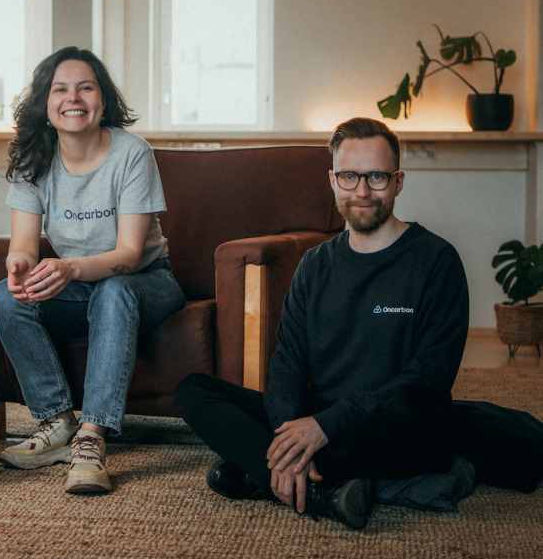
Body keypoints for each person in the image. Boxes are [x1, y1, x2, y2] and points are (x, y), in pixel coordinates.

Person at [176, 117, 471, 529]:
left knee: (425, 438)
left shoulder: (437, 262)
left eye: (377, 177)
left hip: (393, 425)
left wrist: (325, 427)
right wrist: (292, 436)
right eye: (349, 176)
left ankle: (261, 473)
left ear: (398, 181)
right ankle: (325, 494)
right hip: (320, 417)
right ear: (333, 180)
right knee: (193, 392)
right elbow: (288, 363)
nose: (362, 191)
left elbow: (427, 381)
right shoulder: (314, 265)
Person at [0, 46, 186, 494]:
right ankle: (57, 423)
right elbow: (24, 244)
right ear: (45, 101)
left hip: (148, 282)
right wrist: (20, 265)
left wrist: (70, 269)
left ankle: (92, 437)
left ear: (103, 98)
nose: (73, 98)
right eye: (60, 89)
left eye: (85, 88)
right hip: (81, 285)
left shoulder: (131, 153)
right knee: (5, 296)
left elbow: (129, 255)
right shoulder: (32, 157)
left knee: (114, 289)